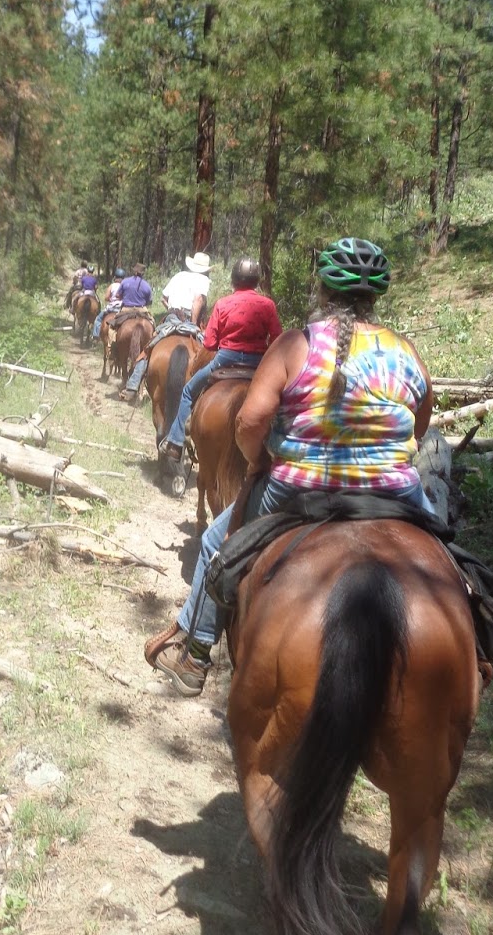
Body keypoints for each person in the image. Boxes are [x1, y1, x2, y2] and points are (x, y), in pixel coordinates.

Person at [143, 237, 433, 696]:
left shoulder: (296, 345)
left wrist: (261, 461)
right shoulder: (407, 350)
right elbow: (419, 422)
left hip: (300, 487)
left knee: (218, 542)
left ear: (322, 290)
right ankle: (480, 644)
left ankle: (196, 654)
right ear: (377, 298)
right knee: (449, 557)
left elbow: (251, 420)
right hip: (393, 489)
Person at [159, 258, 282, 460]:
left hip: (226, 358)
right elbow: (278, 338)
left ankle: (176, 443)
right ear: (256, 281)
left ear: (234, 280)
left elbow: (209, 344)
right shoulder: (268, 305)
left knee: (189, 391)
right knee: (284, 400)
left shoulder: (223, 304)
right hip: (259, 362)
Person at [119, 250, 212, 400]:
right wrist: (193, 323)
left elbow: (163, 298)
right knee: (206, 353)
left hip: (172, 317)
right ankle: (205, 393)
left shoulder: (179, 275)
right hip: (189, 318)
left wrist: (172, 310)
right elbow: (198, 301)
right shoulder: (203, 280)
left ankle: (132, 386)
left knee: (149, 348)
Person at [92, 269, 127, 340]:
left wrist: (111, 299)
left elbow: (106, 298)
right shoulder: (125, 286)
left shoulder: (112, 286)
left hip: (111, 308)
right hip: (121, 308)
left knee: (98, 319)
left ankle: (96, 335)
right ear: (123, 278)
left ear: (115, 277)